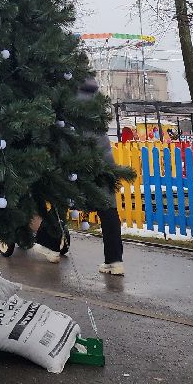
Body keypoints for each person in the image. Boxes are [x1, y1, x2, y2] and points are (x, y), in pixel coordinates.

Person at [79, 76, 125, 276]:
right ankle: (115, 261)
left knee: (61, 197)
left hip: (82, 158)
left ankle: (49, 245)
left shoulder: (67, 96)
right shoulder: (95, 96)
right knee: (108, 210)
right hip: (104, 157)